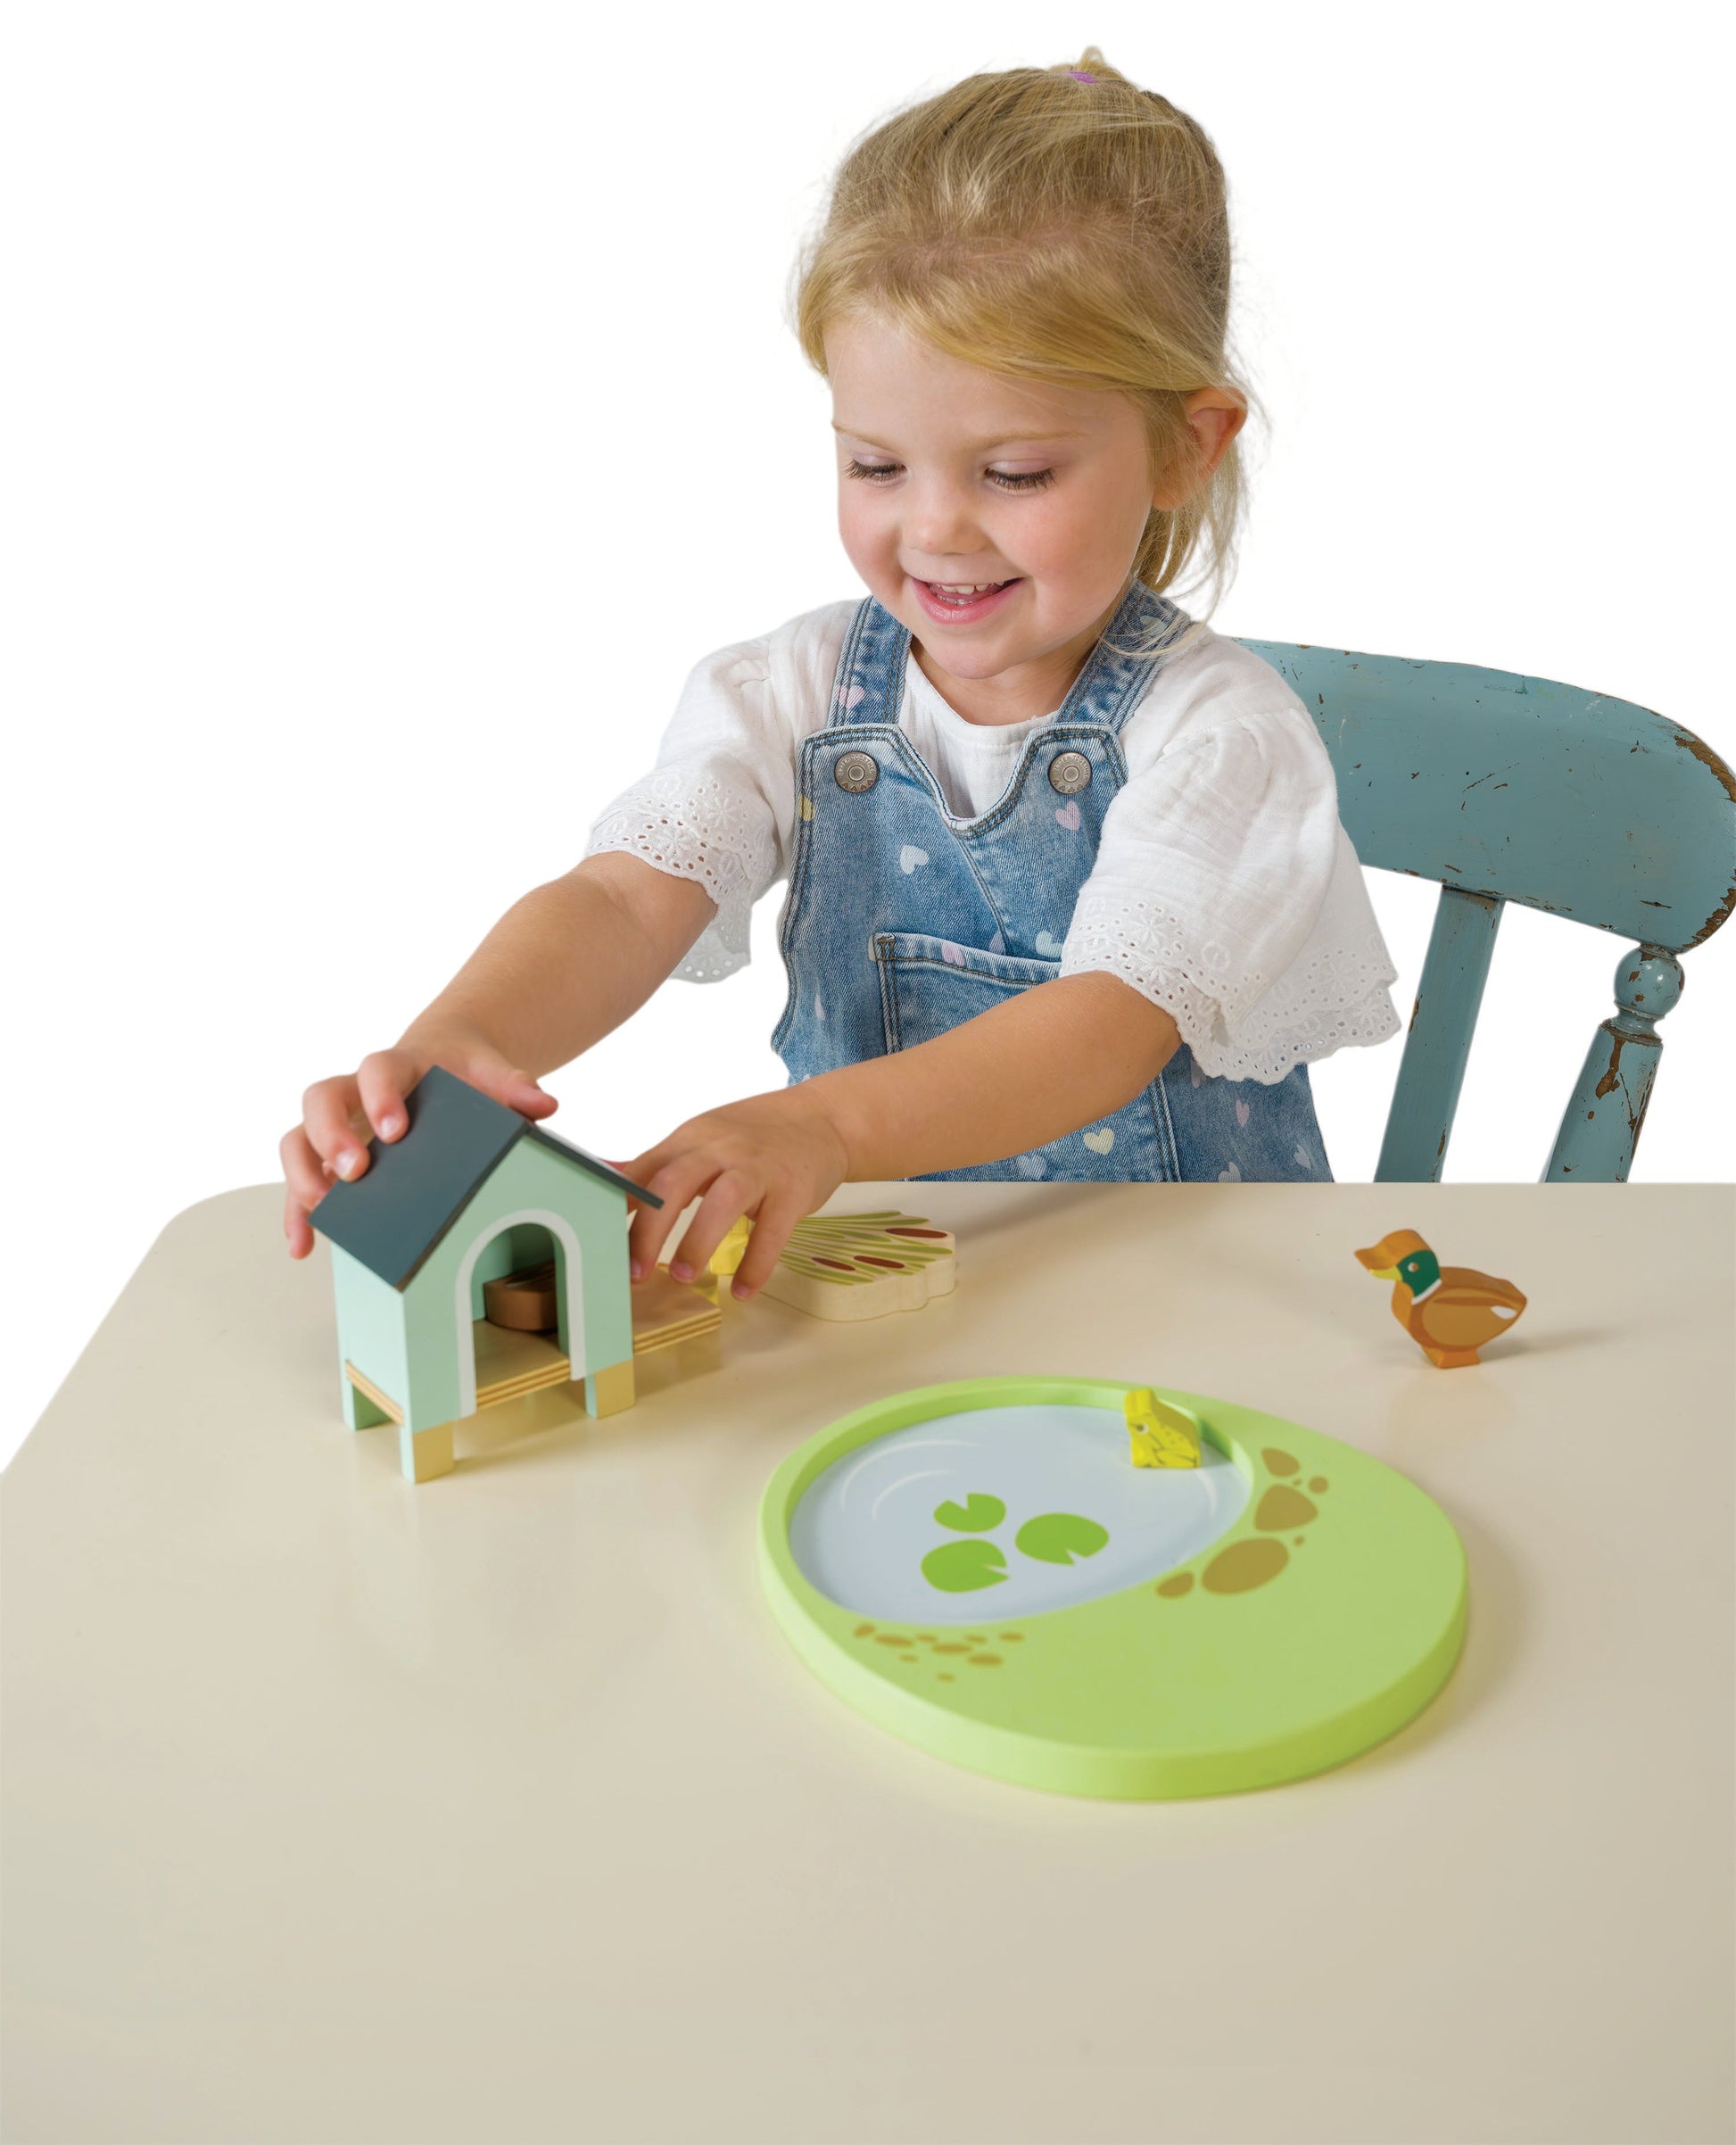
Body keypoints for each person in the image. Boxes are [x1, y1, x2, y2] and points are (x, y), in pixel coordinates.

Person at [280, 47, 1401, 1303]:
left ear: (1184, 447)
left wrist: (823, 1127)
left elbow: (1106, 1026)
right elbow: (625, 897)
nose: (933, 530)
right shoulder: (794, 691)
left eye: (1014, 473)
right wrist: (464, 1037)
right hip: (891, 1295)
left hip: (1195, 1302)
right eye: (876, 465)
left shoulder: (1219, 734)